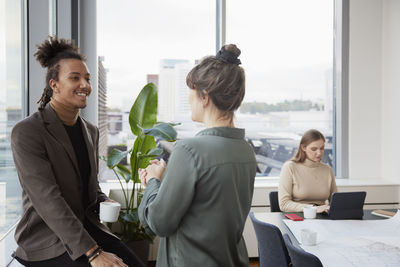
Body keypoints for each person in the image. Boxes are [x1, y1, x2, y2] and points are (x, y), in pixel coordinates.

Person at [11, 37, 144, 267]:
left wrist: (103, 199)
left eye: (87, 78)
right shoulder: (27, 132)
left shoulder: (90, 131)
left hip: (88, 229)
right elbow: (48, 201)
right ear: (54, 84)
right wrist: (93, 253)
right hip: (48, 240)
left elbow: (89, 187)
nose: (85, 85)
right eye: (75, 78)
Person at [138, 44, 257, 267]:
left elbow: (159, 222)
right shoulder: (245, 150)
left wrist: (153, 181)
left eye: (190, 93)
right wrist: (168, 181)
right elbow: (208, 208)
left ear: (204, 97)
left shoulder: (189, 150)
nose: (189, 100)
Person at [278, 129, 338, 213]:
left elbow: (335, 202)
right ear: (303, 147)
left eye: (322, 148)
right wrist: (313, 208)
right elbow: (284, 204)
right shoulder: (290, 167)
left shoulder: (327, 169)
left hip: (322, 218)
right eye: (314, 149)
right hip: (298, 217)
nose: (319, 153)